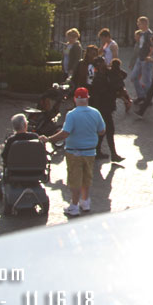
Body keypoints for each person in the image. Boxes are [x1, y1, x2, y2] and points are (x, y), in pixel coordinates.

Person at [40, 87, 105, 216]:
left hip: (74, 151)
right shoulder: (95, 113)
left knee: (75, 179)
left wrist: (48, 139)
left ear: (75, 99)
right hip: (90, 152)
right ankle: (85, 202)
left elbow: (65, 133)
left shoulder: (72, 114)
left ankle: (74, 206)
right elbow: (102, 131)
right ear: (88, 98)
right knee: (87, 177)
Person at [89, 56, 123, 162]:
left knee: (103, 130)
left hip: (105, 107)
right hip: (103, 107)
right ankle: (113, 154)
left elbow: (123, 75)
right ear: (99, 65)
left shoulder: (106, 74)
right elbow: (103, 92)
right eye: (103, 62)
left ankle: (98, 151)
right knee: (109, 129)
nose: (105, 64)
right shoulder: (99, 78)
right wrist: (113, 91)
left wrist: (115, 67)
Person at [128, 16, 153, 102]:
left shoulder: (149, 34)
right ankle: (141, 95)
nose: (138, 25)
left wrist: (148, 56)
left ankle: (148, 99)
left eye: (139, 23)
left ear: (144, 24)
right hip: (140, 58)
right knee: (134, 77)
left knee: (146, 81)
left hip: (145, 59)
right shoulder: (142, 33)